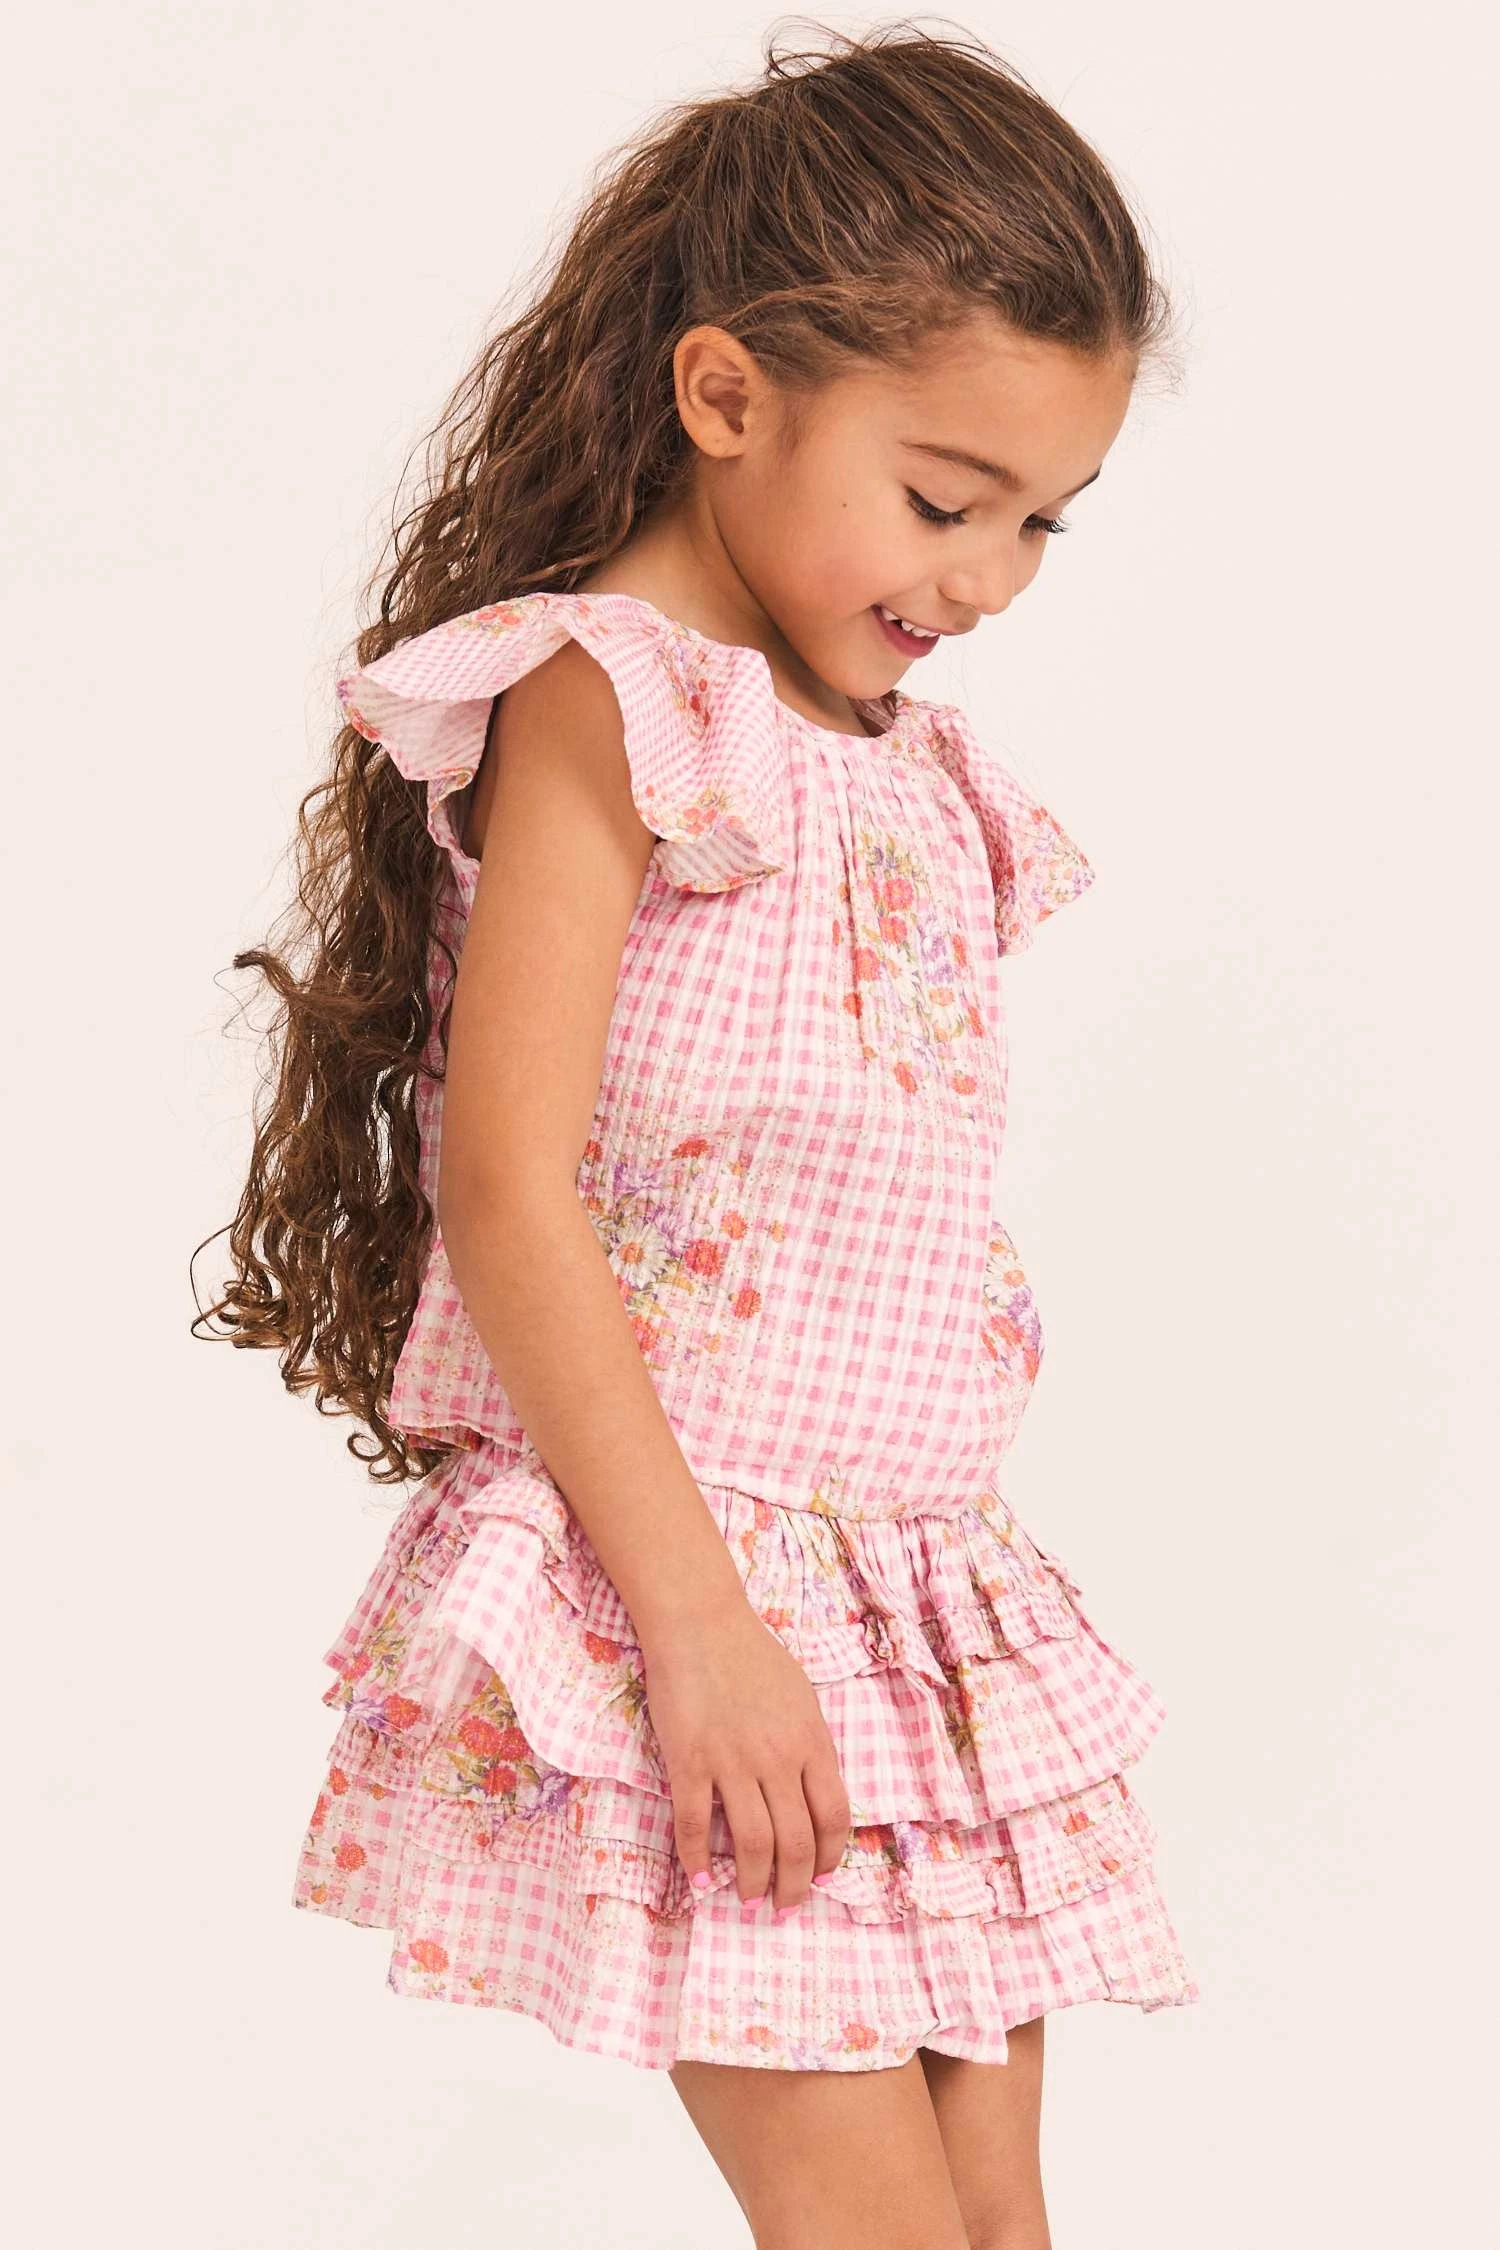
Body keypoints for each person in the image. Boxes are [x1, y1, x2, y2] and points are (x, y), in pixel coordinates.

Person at [195, 23, 1198, 2246]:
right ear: (729, 396)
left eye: (1041, 520)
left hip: (919, 1596)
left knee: (997, 2232)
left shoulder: (899, 755)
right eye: (945, 499)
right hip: (704, 1579)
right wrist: (702, 1632)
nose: (992, 576)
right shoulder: (610, 694)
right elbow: (505, 1185)